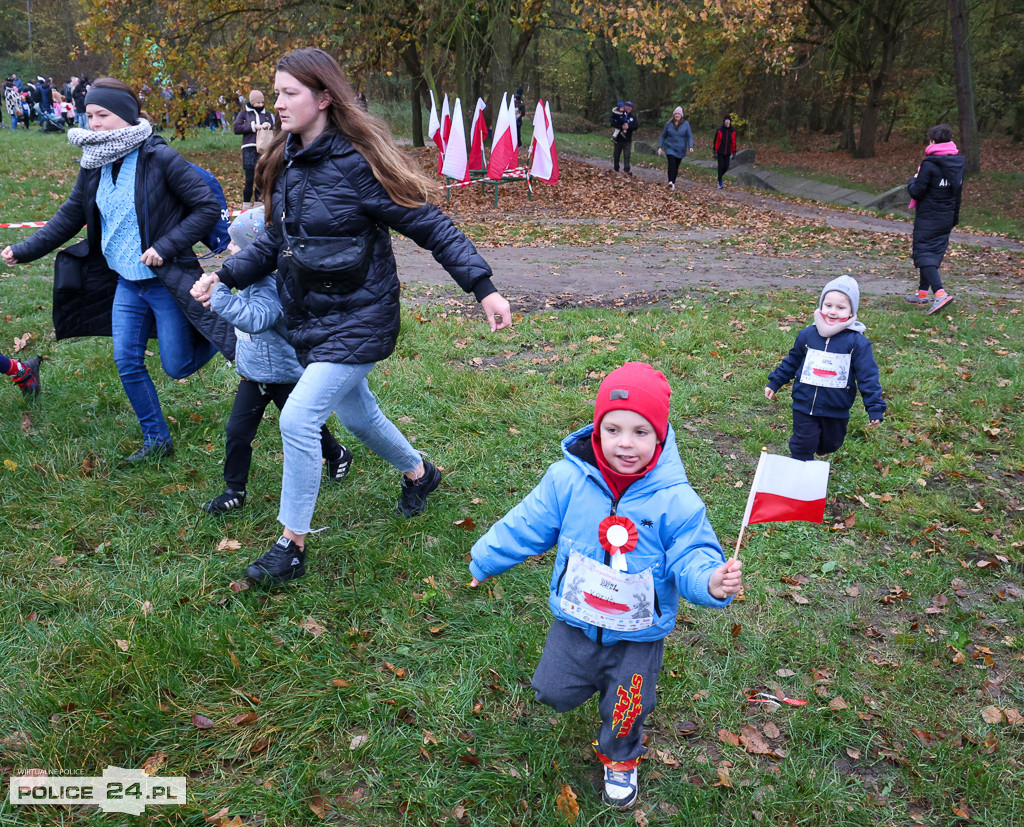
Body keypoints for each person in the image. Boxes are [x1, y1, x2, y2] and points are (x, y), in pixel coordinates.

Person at [190, 47, 512, 587]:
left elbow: (428, 224)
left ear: (324, 97)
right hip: (311, 320)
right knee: (360, 417)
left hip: (362, 317)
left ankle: (290, 546)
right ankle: (420, 473)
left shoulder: (359, 166)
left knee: (297, 419)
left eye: (289, 93)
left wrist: (482, 287)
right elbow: (275, 239)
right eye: (276, 92)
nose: (279, 103)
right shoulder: (286, 160)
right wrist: (225, 275)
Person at [469, 362, 742, 810]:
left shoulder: (676, 500)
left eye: (640, 432)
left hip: (637, 633)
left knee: (626, 706)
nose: (626, 444)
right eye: (613, 429)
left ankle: (620, 757)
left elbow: (692, 555)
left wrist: (710, 581)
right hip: (576, 617)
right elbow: (528, 523)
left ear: (660, 436)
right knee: (551, 690)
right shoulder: (567, 479)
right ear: (596, 430)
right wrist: (486, 557)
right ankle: (592, 680)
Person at [1, 77, 235, 463]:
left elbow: (206, 207)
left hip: (164, 282)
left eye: (102, 115)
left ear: (125, 116)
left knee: (176, 366)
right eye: (89, 115)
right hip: (126, 283)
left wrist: (165, 245)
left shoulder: (159, 158)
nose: (93, 124)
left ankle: (216, 331)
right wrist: (25, 251)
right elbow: (71, 215)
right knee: (126, 360)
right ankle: (156, 440)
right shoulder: (93, 163)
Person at [202, 207, 353, 514]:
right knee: (237, 432)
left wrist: (219, 297)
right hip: (254, 375)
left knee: (306, 426)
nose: (229, 249)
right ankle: (234, 489)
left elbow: (257, 319)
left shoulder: (269, 286)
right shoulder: (247, 281)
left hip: (284, 375)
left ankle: (336, 453)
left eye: (234, 244)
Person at [765, 276, 885, 461]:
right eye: (828, 305)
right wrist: (775, 382)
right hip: (804, 403)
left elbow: (867, 376)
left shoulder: (857, 343)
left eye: (841, 307)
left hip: (836, 407)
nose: (832, 312)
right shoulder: (807, 335)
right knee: (802, 444)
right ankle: (801, 471)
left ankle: (822, 447)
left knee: (831, 442)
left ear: (852, 311)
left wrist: (875, 407)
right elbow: (793, 360)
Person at [905, 123, 964, 315]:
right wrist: (954, 218)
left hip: (929, 217)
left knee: (923, 253)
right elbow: (957, 194)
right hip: (946, 216)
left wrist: (912, 180)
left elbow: (917, 191)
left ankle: (940, 294)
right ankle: (922, 295)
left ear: (932, 141)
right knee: (931, 253)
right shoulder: (957, 164)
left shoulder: (929, 164)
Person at [233, 89, 275, 210]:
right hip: (249, 148)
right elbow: (237, 128)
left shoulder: (267, 114)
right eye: (257, 103)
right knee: (250, 178)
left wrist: (268, 125)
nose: (260, 105)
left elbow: (274, 125)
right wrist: (252, 127)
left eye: (262, 103)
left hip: (263, 149)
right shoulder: (244, 114)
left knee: (260, 177)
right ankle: (246, 205)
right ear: (252, 102)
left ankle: (258, 204)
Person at [657, 107, 693, 190]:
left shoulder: (686, 124)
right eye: (675, 113)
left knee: (676, 166)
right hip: (670, 147)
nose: (677, 115)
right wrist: (660, 147)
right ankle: (670, 181)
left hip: (681, 149)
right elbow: (663, 136)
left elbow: (690, 136)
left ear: (681, 115)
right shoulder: (668, 124)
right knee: (671, 163)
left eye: (678, 114)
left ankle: (673, 183)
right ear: (673, 115)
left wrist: (691, 146)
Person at [611, 100, 638, 175]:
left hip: (627, 139)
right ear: (624, 107)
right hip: (618, 139)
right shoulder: (618, 113)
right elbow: (612, 122)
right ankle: (616, 168)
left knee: (627, 155)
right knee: (616, 155)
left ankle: (626, 170)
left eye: (630, 107)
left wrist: (628, 127)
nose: (629, 108)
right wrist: (621, 126)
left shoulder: (633, 117)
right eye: (627, 106)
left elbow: (636, 126)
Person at [713, 115, 736, 188]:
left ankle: (719, 177)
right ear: (724, 121)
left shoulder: (733, 131)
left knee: (726, 167)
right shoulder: (720, 130)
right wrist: (715, 151)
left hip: (728, 152)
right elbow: (716, 141)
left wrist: (734, 152)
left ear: (730, 121)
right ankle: (720, 182)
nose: (727, 121)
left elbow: (733, 142)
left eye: (728, 120)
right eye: (726, 120)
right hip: (720, 151)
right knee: (721, 166)